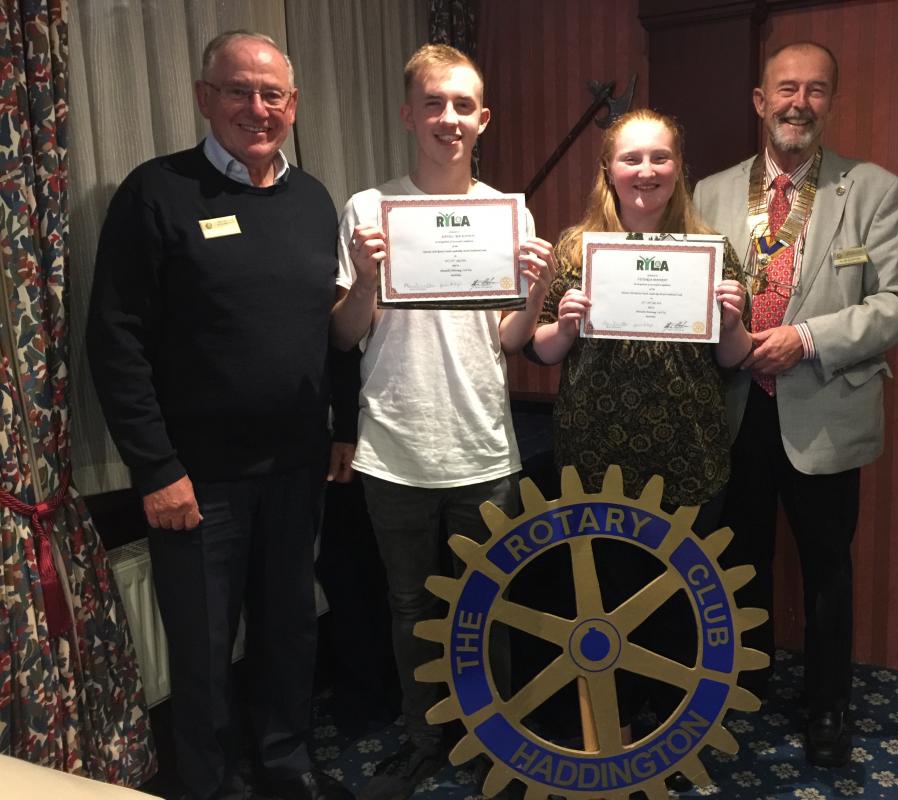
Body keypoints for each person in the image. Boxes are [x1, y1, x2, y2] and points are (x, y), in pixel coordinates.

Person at [87, 30, 350, 800]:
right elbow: (117, 342)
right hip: (195, 483)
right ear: (204, 98)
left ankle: (286, 765)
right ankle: (208, 786)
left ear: (293, 106)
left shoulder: (313, 200)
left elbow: (327, 324)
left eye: (273, 94)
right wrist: (156, 469)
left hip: (297, 468)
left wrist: (343, 427)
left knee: (287, 632)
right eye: (238, 90)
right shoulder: (156, 192)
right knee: (202, 653)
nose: (256, 108)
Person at [330, 44, 554, 800]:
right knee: (407, 607)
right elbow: (341, 334)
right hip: (394, 446)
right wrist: (364, 277)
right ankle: (423, 737)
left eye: (463, 105)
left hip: (484, 446)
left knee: (491, 605)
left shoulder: (508, 211)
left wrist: (534, 290)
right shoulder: (368, 208)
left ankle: (493, 738)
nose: (448, 118)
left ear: (482, 118)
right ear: (408, 113)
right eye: (434, 103)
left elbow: (510, 341)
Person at [693, 41, 898, 766]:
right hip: (734, 409)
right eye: (785, 89)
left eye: (815, 90)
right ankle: (748, 681)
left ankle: (828, 707)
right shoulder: (708, 193)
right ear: (760, 102)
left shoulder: (875, 190)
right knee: (740, 556)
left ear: (831, 101)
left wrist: (807, 337)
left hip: (824, 404)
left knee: (826, 567)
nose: (799, 102)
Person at [528, 108, 751, 791]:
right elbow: (538, 350)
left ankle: (675, 737)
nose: (646, 171)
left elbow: (734, 358)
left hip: (688, 453)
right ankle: (613, 735)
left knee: (683, 601)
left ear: (678, 166)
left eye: (659, 157)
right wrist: (562, 326)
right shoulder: (574, 249)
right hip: (596, 455)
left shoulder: (711, 247)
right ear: (608, 170)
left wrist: (733, 317)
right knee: (604, 600)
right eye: (631, 159)